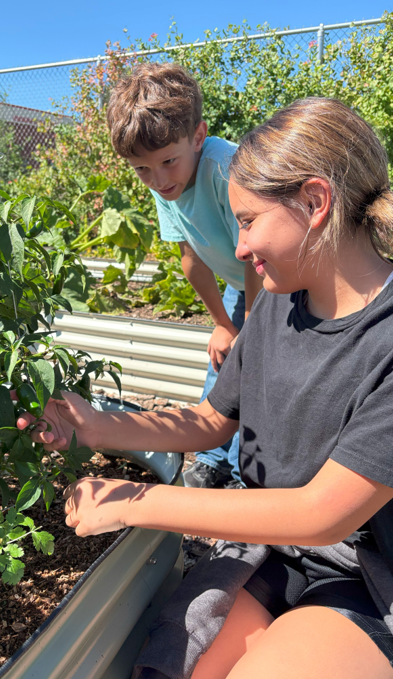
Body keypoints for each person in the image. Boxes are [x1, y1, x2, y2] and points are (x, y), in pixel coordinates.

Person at [19, 97, 393, 678]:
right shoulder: (278, 304)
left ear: (316, 202)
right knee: (170, 665)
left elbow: (324, 516)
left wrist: (133, 502)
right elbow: (210, 421)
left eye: (247, 222)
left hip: (361, 574)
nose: (238, 249)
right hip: (269, 550)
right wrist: (96, 422)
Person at [106, 62, 263, 488]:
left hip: (279, 277)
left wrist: (248, 326)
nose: (157, 179)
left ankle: (247, 471)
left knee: (260, 370)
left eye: (168, 162)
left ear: (197, 136)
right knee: (223, 362)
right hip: (241, 284)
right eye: (142, 169)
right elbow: (190, 258)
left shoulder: (223, 167)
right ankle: (213, 459)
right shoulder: (166, 185)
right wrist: (221, 324)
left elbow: (255, 253)